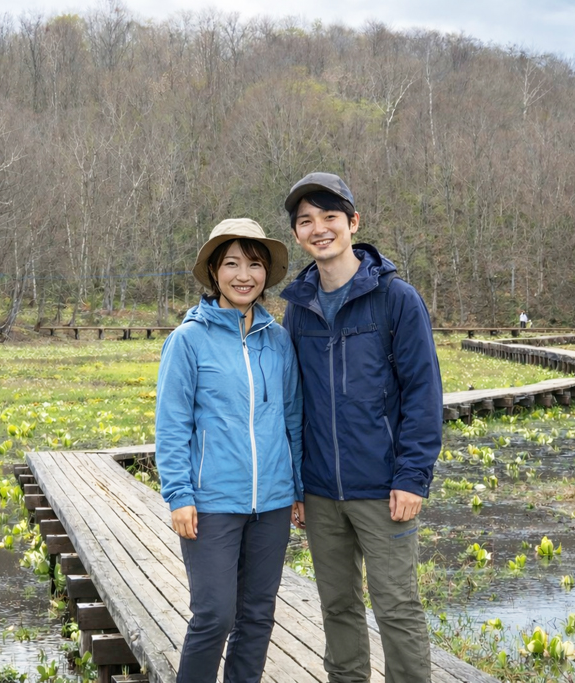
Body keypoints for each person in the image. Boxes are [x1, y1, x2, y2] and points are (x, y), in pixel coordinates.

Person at [279, 172, 442, 683]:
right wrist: (297, 484)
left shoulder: (396, 299)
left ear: (353, 223)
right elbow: (295, 400)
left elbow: (423, 393)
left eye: (330, 217)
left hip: (384, 488)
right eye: (306, 221)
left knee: (396, 608)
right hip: (321, 490)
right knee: (339, 608)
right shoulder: (297, 307)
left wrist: (412, 477)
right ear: (297, 234)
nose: (319, 228)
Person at [155, 218, 304, 683]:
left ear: (266, 275)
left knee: (257, 616)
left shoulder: (279, 341)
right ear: (214, 272)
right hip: (212, 502)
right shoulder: (188, 341)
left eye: (255, 264)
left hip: (274, 502)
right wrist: (179, 495)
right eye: (233, 263)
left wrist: (297, 488)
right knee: (215, 615)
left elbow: (293, 420)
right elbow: (172, 424)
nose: (245, 275)